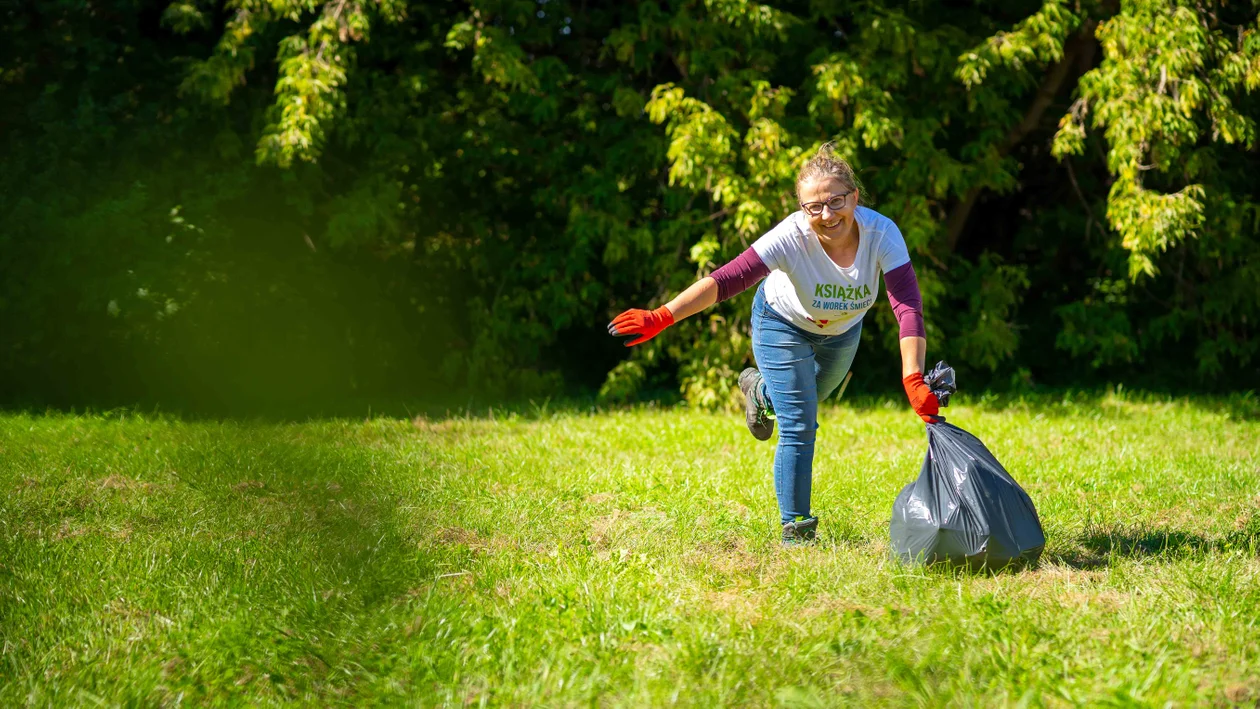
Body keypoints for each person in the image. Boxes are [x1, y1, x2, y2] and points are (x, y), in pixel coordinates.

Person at [607, 144, 940, 546]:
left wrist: (912, 376)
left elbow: (906, 305)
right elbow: (727, 280)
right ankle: (796, 530)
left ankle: (760, 390)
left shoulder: (881, 233)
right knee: (800, 422)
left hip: (842, 331)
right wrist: (663, 315)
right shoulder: (791, 237)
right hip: (781, 323)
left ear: (854, 197)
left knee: (805, 399)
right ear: (802, 209)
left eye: (836, 201)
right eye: (814, 207)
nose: (827, 215)